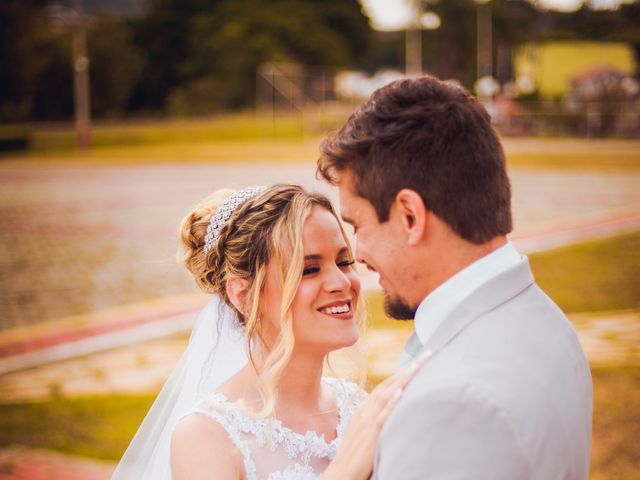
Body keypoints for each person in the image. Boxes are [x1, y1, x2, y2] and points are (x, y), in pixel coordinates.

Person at [317, 75, 593, 479]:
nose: (359, 257)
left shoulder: (451, 405)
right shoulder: (545, 321)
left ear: (410, 217)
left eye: (358, 226)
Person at [113, 184, 425, 480]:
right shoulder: (207, 436)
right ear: (244, 296)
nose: (342, 283)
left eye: (344, 262)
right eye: (309, 270)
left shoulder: (360, 408)